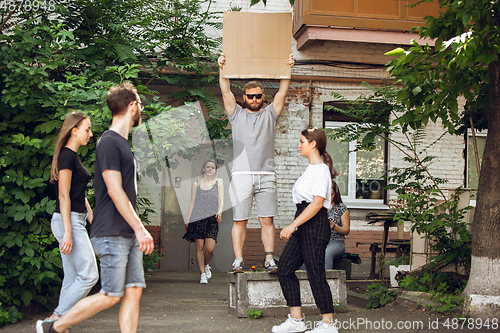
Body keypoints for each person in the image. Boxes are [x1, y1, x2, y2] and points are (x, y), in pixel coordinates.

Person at [37, 81, 155, 333]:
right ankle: (54, 326)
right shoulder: (110, 142)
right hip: (112, 232)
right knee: (110, 294)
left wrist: (136, 229)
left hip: (126, 231)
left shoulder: (122, 143)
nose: (141, 109)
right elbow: (114, 190)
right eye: (140, 104)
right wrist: (140, 228)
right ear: (132, 106)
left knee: (134, 291)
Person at [218, 52, 294, 273]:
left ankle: (269, 259)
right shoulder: (236, 114)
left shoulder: (270, 114)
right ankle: (238, 260)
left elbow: (283, 91)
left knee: (266, 220)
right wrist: (221, 67)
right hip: (241, 175)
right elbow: (225, 90)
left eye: (258, 96)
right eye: (250, 96)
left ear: (263, 97)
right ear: (244, 97)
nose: (254, 100)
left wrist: (287, 67)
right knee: (240, 220)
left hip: (266, 175)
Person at [272, 128, 339, 333]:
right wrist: (296, 224)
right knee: (284, 269)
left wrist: (293, 225)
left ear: (313, 144)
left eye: (302, 141)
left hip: (314, 223)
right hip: (304, 221)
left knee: (315, 273)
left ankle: (328, 324)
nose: (298, 145)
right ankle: (296, 321)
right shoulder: (311, 169)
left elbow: (317, 203)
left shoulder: (321, 170)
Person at [44, 112, 98, 331]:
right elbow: (63, 195)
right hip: (68, 222)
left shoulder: (72, 157)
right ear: (74, 130)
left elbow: (77, 192)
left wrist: (90, 212)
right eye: (87, 129)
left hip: (75, 220)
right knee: (89, 275)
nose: (90, 134)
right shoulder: (66, 156)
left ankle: (59, 327)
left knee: (72, 277)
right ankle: (54, 320)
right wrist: (68, 231)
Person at [183, 159, 224, 284]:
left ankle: (205, 264)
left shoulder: (218, 184)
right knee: (199, 247)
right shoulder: (196, 184)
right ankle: (202, 275)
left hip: (212, 220)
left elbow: (221, 200)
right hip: (197, 218)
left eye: (213, 167)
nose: (210, 169)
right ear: (203, 169)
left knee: (209, 250)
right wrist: (188, 220)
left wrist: (220, 212)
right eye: (208, 167)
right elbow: (192, 203)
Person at [325, 181, 350, 270]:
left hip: (336, 242)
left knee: (326, 253)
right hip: (321, 241)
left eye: (331, 195)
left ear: (336, 194)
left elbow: (346, 230)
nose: (329, 197)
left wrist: (334, 226)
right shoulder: (319, 207)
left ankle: (327, 281)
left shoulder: (341, 208)